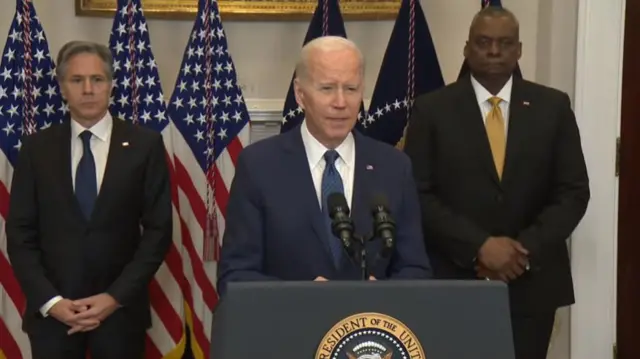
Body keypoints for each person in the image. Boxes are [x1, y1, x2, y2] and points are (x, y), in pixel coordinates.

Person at [403, 6, 589, 359]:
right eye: (483, 42)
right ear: (467, 48)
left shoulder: (553, 106)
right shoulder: (431, 110)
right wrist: (479, 246)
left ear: (519, 50)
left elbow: (573, 191)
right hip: (454, 279)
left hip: (532, 284)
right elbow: (417, 193)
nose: (493, 51)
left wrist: (520, 251)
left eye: (504, 43)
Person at [217, 36, 432, 295]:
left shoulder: (395, 167)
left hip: (370, 330)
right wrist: (301, 295)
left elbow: (415, 270)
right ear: (300, 94)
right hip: (289, 330)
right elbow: (235, 275)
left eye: (351, 89)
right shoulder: (259, 166)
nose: (340, 102)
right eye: (327, 88)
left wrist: (384, 294)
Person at [6, 41, 172, 359]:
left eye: (97, 79)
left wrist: (113, 298)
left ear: (110, 85)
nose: (88, 89)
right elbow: (20, 235)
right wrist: (52, 303)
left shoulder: (145, 146)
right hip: (53, 318)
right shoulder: (36, 150)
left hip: (120, 316)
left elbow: (158, 233)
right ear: (62, 88)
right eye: (77, 80)